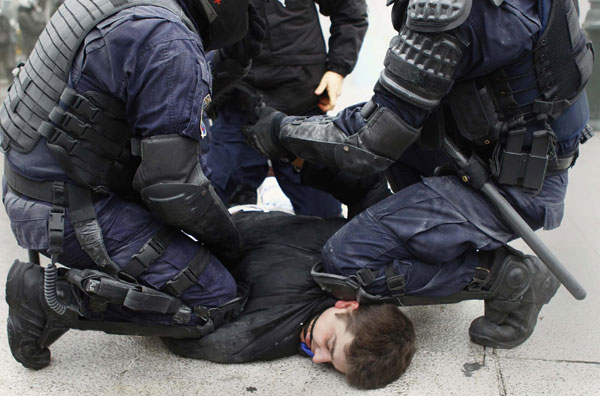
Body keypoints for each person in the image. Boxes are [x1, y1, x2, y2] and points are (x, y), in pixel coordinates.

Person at [243, 0, 593, 349]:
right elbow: (390, 114)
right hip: (489, 152)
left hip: (508, 187)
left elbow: (369, 139)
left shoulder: (446, 11)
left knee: (347, 262)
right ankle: (418, 237)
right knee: (368, 183)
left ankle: (511, 279)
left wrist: (281, 132)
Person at [1, 0, 263, 370]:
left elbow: (152, 92)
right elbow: (173, 189)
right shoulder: (169, 39)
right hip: (69, 210)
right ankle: (48, 299)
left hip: (35, 185)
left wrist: (234, 63)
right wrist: (230, 243)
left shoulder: (140, 10)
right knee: (215, 297)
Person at [6, 210, 416, 389]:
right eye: (329, 346)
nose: (316, 358)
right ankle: (55, 297)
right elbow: (203, 342)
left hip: (206, 223)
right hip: (177, 251)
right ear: (347, 305)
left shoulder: (343, 254)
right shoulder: (285, 320)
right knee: (192, 319)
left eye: (327, 365)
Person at [205, 0, 368, 217]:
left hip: (302, 107)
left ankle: (272, 190)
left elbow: (350, 9)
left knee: (325, 217)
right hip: (238, 104)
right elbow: (191, 25)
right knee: (205, 204)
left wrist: (338, 70)